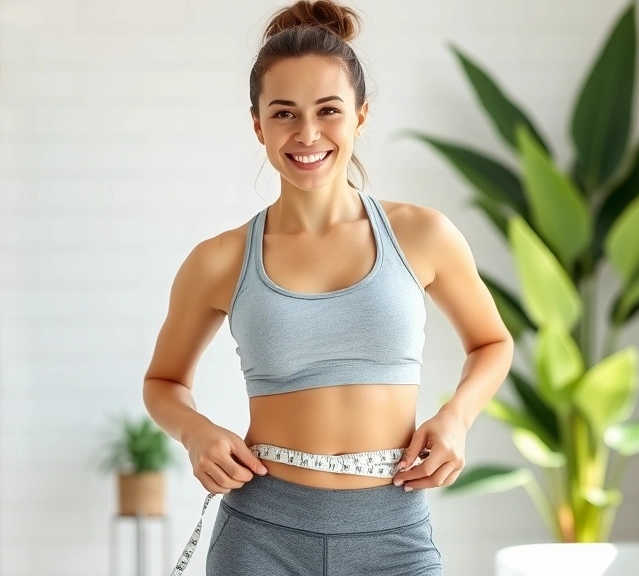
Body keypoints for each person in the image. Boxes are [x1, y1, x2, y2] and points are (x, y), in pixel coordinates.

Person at [142, 1, 514, 574]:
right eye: (284, 113)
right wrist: (195, 432)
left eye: (329, 110)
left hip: (393, 530)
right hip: (262, 531)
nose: (307, 133)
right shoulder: (219, 260)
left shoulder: (423, 235)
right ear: (258, 124)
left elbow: (492, 343)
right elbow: (164, 382)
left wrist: (457, 417)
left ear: (361, 116)